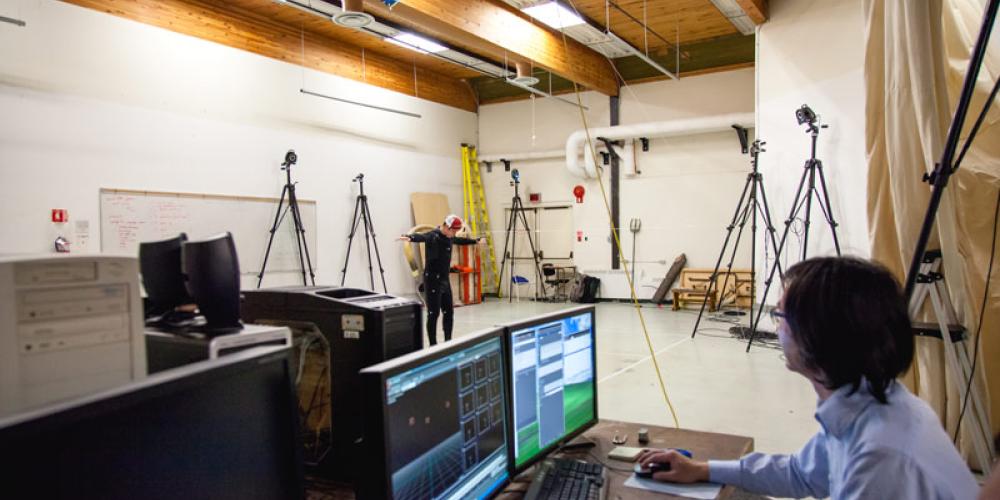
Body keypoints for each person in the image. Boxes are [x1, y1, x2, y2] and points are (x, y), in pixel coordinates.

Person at [637, 256, 979, 499]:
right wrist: (700, 469)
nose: (776, 325)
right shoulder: (868, 401)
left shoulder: (880, 457)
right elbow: (803, 474)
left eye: (780, 315)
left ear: (820, 336)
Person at [398, 214, 482, 346]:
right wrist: (410, 237)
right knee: (433, 313)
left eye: (455, 231)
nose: (454, 234)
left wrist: (474, 241)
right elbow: (422, 236)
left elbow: (459, 240)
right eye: (453, 231)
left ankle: (448, 341)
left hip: (444, 279)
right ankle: (433, 345)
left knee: (449, 311)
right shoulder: (434, 235)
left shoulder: (450, 237)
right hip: (432, 279)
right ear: (446, 227)